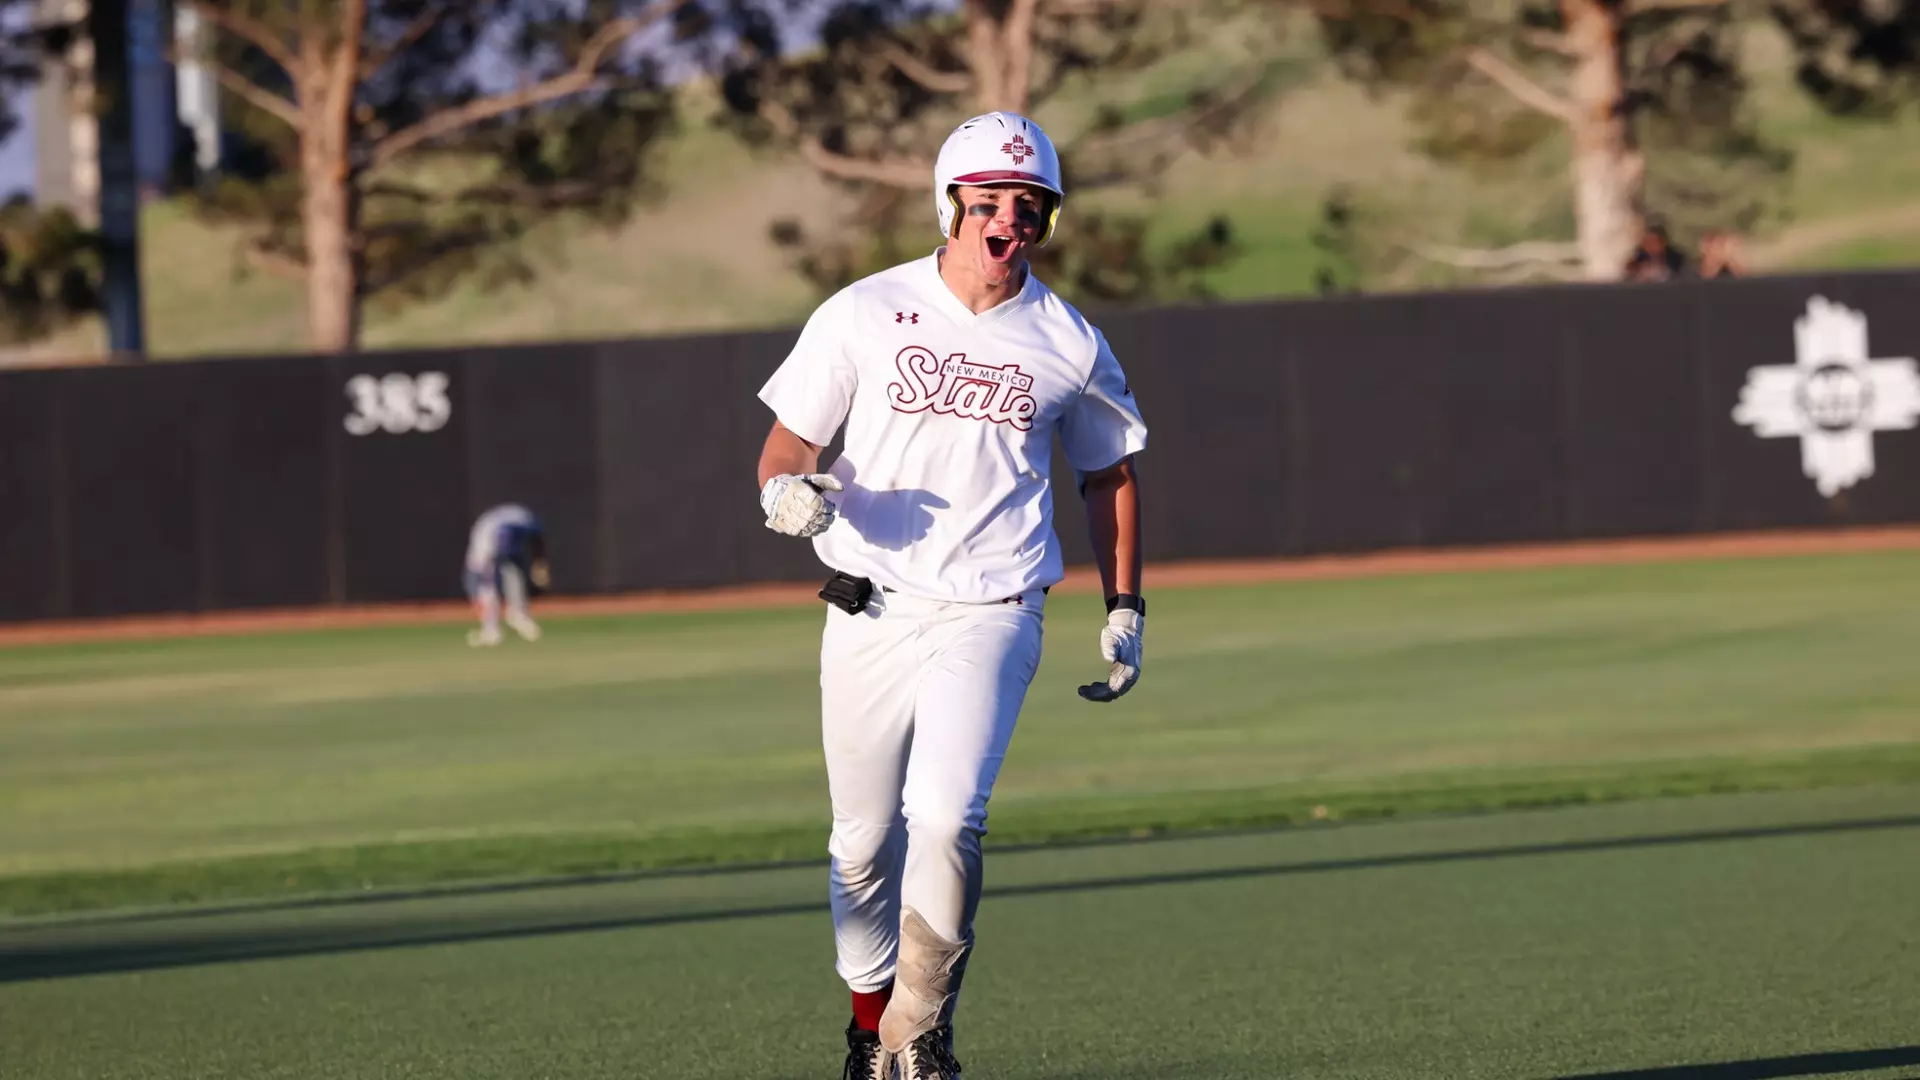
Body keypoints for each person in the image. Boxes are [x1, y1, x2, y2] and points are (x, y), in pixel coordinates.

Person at [753, 111, 1149, 1080]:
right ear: (950, 205)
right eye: (990, 202)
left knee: (945, 816)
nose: (1008, 222)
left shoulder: (1069, 343)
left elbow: (1111, 475)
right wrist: (782, 491)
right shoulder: (861, 312)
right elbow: (789, 444)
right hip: (868, 606)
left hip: (993, 607)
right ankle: (867, 1026)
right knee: (859, 844)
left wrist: (1125, 606)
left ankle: (920, 1033)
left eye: (1031, 207)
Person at [462, 503, 549, 647]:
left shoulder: (514, 522)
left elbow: (536, 537)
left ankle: (501, 624)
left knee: (493, 583)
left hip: (495, 537)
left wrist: (539, 564)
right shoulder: (492, 532)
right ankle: (498, 625)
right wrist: (540, 563)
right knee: (490, 584)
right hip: (489, 542)